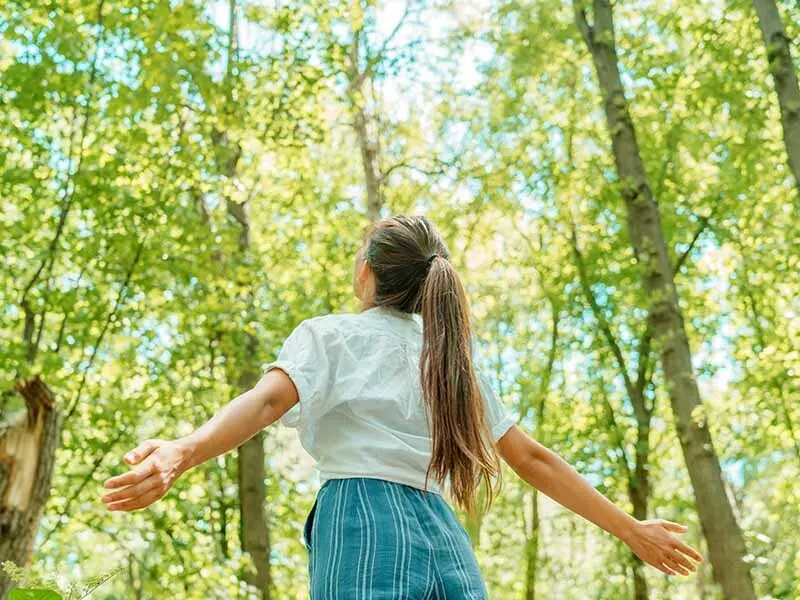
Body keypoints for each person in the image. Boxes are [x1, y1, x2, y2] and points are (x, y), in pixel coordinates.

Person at [102, 215, 702, 598]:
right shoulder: (452, 361)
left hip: (360, 517)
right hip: (442, 532)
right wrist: (630, 529)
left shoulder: (333, 334)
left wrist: (184, 449)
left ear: (368, 273)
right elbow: (533, 459)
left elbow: (263, 405)